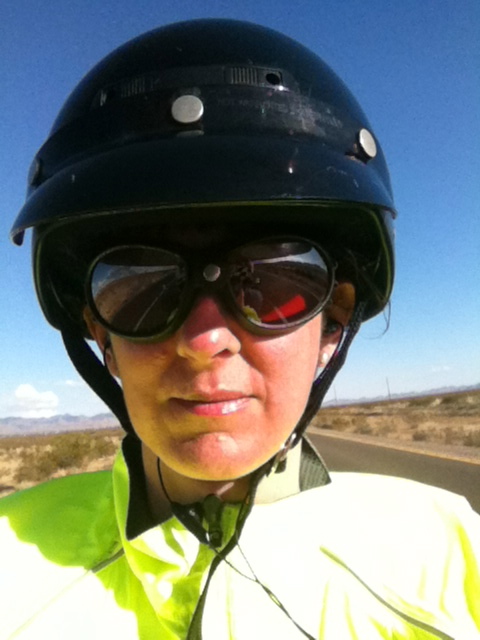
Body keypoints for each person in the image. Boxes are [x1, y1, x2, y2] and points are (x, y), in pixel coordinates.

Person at [1, 18, 479, 640]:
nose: (205, 342)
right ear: (102, 340)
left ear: (332, 326)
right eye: (143, 289)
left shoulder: (450, 557)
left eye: (274, 284)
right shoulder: (13, 562)